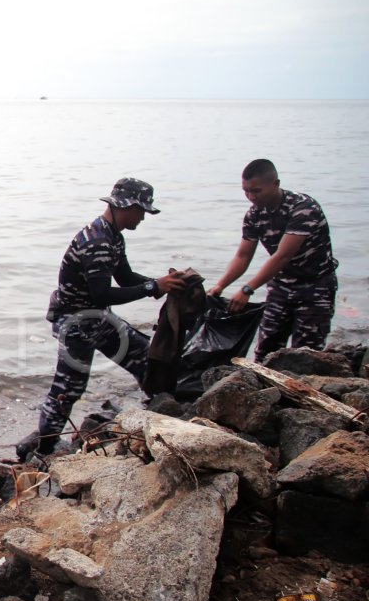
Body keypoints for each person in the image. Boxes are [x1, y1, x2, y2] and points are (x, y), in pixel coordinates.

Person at [21, 178, 187, 458]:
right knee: (68, 389)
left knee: (147, 357)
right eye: (142, 211)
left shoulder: (113, 236)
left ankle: (159, 415)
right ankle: (44, 450)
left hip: (99, 320)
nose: (143, 218)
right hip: (76, 325)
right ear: (128, 206)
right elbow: (102, 294)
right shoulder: (96, 241)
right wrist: (152, 287)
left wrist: (162, 285)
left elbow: (124, 278)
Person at [207, 159, 339, 361]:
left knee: (306, 354)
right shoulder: (254, 214)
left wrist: (247, 289)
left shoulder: (303, 209)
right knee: (266, 351)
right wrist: (220, 285)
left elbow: (282, 256)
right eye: (246, 191)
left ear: (275, 184)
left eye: (256, 191)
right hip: (280, 286)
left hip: (315, 288)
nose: (251, 197)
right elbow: (243, 255)